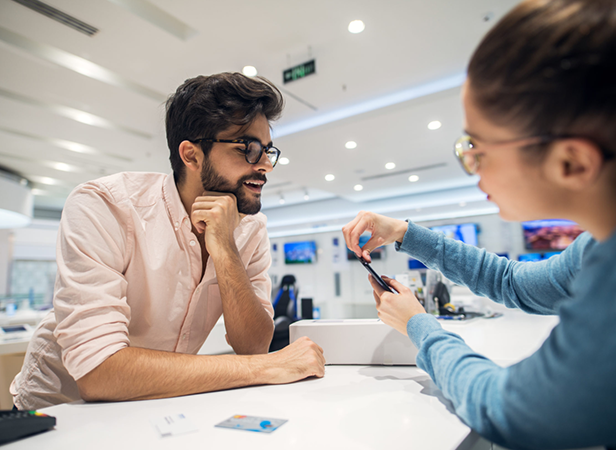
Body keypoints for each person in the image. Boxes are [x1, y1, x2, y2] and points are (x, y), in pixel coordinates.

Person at [343, 1, 616, 448]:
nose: (471, 165)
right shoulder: (597, 249)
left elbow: (508, 408)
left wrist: (420, 326)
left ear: (571, 161)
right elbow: (513, 282)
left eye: (477, 148)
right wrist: (403, 232)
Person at [11, 73, 325, 411]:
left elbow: (253, 345)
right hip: (59, 412)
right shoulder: (105, 205)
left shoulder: (250, 229)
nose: (265, 165)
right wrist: (266, 368)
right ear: (191, 155)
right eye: (247, 149)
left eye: (267, 150)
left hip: (154, 406)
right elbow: (98, 371)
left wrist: (225, 248)